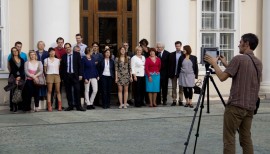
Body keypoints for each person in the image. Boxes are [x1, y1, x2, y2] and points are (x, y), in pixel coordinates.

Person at [204, 33, 262, 154]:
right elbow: (238, 72)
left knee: (229, 139)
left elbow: (222, 77)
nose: (238, 44)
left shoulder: (239, 58)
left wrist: (214, 63)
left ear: (246, 44)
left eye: (240, 42)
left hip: (236, 106)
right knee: (246, 139)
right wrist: (225, 64)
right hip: (250, 107)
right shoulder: (258, 62)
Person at [60, 43, 86, 111]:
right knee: (68, 92)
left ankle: (78, 106)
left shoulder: (77, 54)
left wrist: (80, 74)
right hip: (67, 76)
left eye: (68, 47)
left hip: (75, 75)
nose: (67, 49)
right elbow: (62, 68)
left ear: (71, 47)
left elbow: (80, 65)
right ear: (65, 49)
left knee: (77, 91)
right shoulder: (64, 56)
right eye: (66, 48)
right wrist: (62, 77)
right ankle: (70, 106)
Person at [8, 47, 25, 112]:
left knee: (20, 91)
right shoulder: (11, 60)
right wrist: (16, 77)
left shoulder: (22, 60)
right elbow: (13, 69)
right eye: (13, 51)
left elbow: (22, 69)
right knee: (13, 91)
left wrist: (20, 76)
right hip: (13, 77)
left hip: (21, 77)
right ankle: (13, 106)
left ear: (18, 51)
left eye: (16, 51)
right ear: (12, 52)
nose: (15, 52)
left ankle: (20, 106)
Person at [168, 41, 184, 106]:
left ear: (181, 46)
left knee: (181, 87)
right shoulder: (171, 54)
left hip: (181, 73)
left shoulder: (184, 54)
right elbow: (169, 64)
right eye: (176, 46)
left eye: (178, 46)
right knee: (174, 87)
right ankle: (174, 100)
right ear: (175, 46)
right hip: (173, 73)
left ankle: (180, 100)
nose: (177, 47)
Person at [91, 42, 104, 106]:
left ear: (98, 47)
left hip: (99, 73)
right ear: (92, 47)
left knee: (98, 88)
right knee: (92, 88)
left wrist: (97, 63)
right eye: (94, 46)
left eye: (96, 46)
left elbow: (102, 63)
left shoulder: (100, 55)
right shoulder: (90, 54)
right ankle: (91, 101)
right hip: (92, 72)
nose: (95, 47)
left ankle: (97, 102)